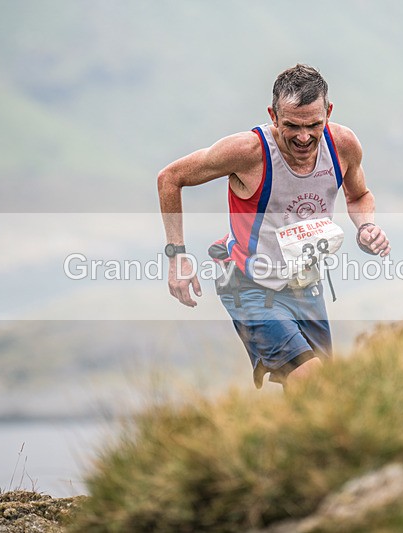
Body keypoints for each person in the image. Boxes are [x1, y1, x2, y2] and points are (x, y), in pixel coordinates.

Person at [158, 64, 390, 389]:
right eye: (292, 125)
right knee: (308, 378)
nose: (304, 137)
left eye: (314, 124)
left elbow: (360, 195)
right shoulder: (247, 152)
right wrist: (176, 256)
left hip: (306, 284)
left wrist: (366, 228)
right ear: (273, 115)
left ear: (329, 112)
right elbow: (170, 178)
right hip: (247, 283)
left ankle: (303, 439)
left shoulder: (344, 145)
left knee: (327, 389)